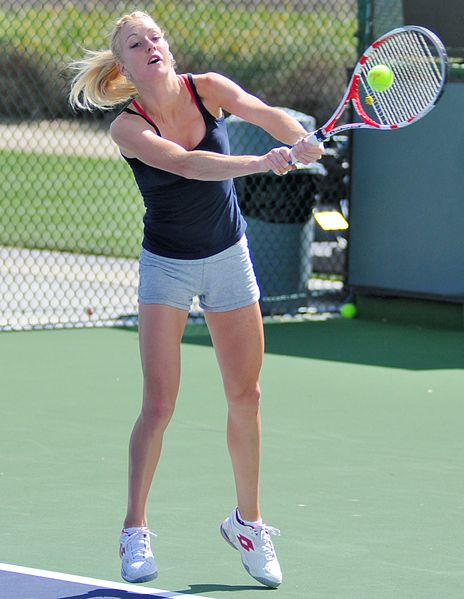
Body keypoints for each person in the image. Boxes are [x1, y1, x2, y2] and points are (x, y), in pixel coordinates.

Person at [69, 10, 323, 588]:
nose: (148, 46)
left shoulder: (207, 89)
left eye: (154, 37)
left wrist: (296, 139)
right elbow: (186, 165)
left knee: (247, 394)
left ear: (168, 48)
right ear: (126, 67)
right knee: (159, 406)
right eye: (134, 44)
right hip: (167, 268)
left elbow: (263, 113)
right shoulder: (127, 128)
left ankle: (248, 524)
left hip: (228, 259)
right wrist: (262, 162)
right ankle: (134, 530)